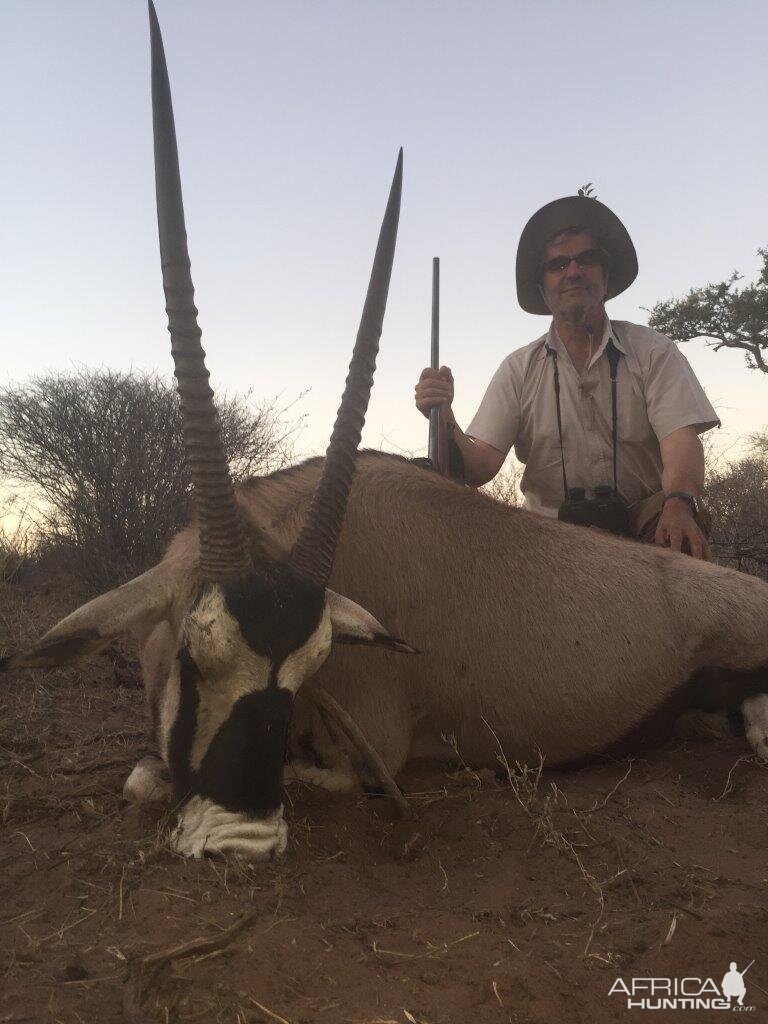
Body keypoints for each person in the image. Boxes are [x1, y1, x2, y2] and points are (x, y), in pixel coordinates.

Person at [414, 193, 719, 560]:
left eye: (586, 260)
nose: (573, 271)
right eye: (558, 265)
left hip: (642, 521)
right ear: (543, 290)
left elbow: (681, 440)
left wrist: (680, 503)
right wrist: (443, 414)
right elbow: (479, 467)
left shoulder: (653, 350)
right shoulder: (518, 369)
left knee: (681, 533)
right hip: (548, 534)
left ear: (605, 279)